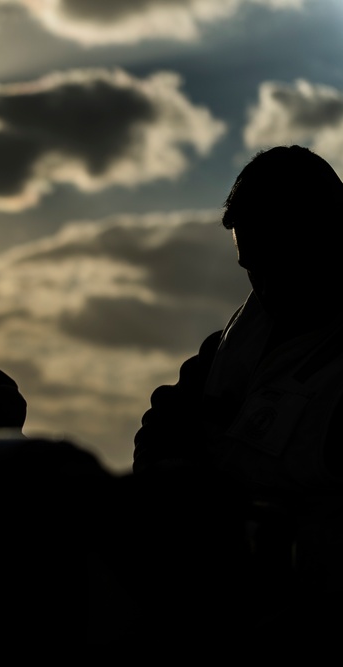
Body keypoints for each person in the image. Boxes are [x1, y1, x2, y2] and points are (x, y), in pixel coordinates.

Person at [132, 145, 343, 648]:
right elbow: (161, 426)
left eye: (282, 261)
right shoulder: (240, 334)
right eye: (252, 267)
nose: (265, 287)